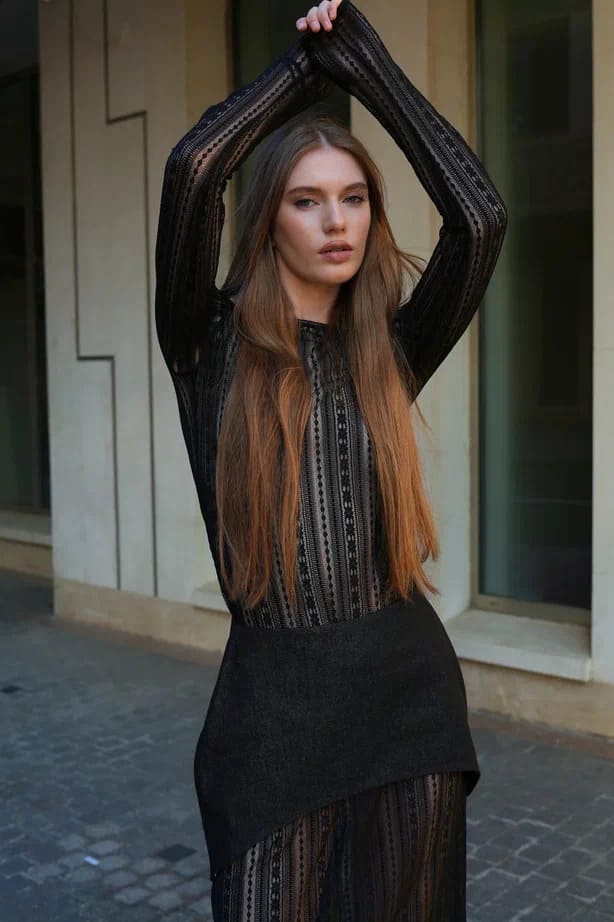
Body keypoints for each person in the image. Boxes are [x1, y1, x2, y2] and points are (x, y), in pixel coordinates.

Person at [154, 0, 507, 918]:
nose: (335, 221)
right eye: (305, 200)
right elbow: (195, 169)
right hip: (272, 717)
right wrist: (305, 69)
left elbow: (479, 220)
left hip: (408, 704)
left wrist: (370, 67)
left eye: (354, 198)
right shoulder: (208, 342)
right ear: (268, 221)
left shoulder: (387, 350)